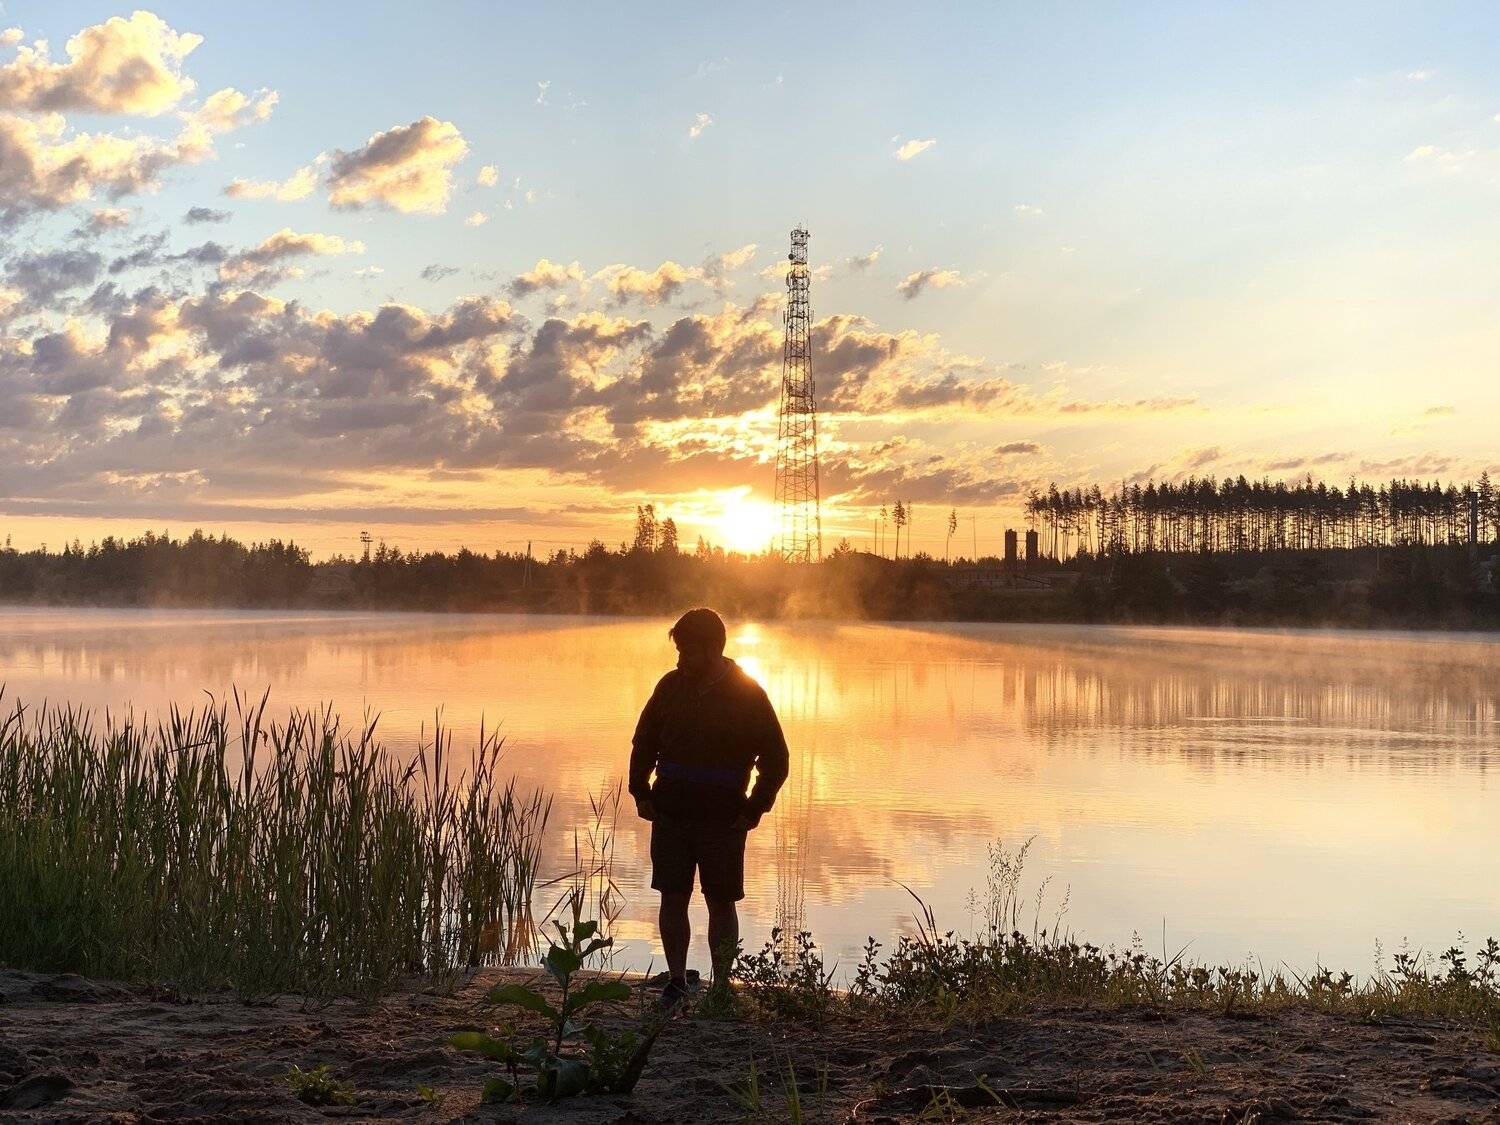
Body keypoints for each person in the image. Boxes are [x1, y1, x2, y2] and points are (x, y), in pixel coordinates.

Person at [629, 607, 789, 1008]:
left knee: (721, 901)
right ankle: (677, 980)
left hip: (724, 819)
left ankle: (720, 987)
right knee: (672, 896)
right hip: (670, 814)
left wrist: (754, 809)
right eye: (679, 651)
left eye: (689, 652)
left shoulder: (748, 694)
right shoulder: (669, 687)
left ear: (714, 649)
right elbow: (644, 742)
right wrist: (640, 791)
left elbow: (776, 759)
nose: (682, 659)